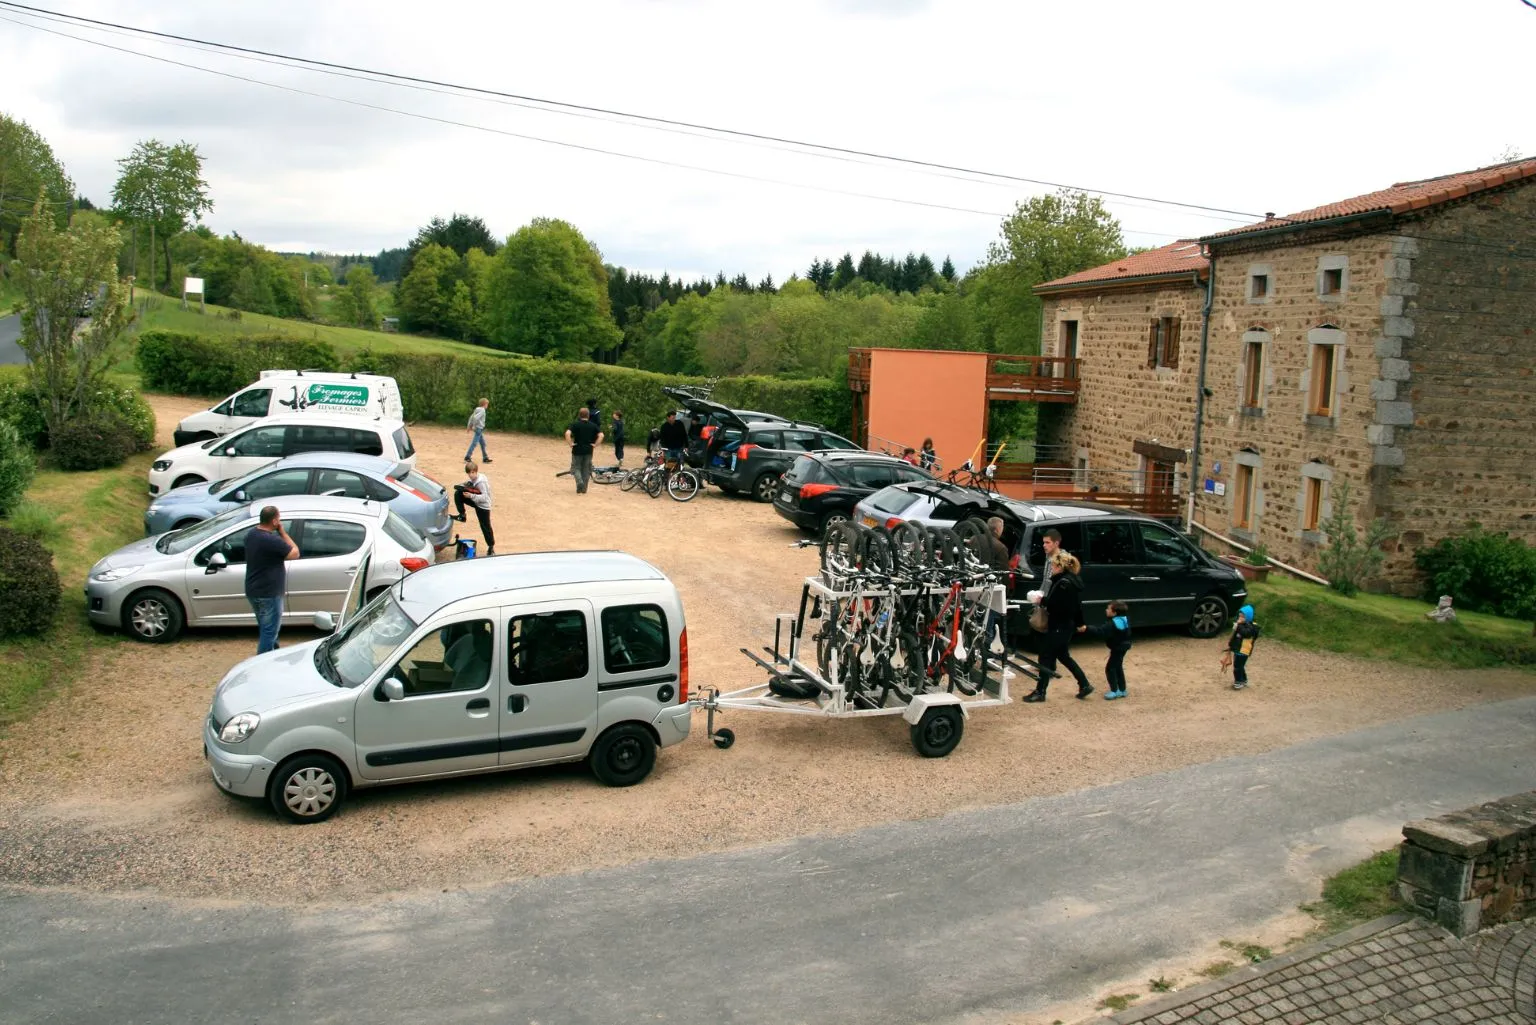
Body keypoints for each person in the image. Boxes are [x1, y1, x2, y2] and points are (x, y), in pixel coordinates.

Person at [1023, 551, 1093, 702]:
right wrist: (1080, 623)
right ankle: (1084, 684)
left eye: (1054, 566)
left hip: (1058, 626)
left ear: (1060, 567)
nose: (1052, 568)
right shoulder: (1071, 581)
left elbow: (1056, 605)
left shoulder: (1063, 584)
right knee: (1063, 656)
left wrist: (1041, 601)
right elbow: (1076, 606)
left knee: (1046, 657)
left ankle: (1040, 691)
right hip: (1065, 626)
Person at [244, 505, 299, 654]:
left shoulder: (251, 535)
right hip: (269, 593)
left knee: (266, 627)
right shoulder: (271, 541)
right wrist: (282, 532)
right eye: (279, 519)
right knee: (270, 631)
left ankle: (274, 655)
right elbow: (295, 552)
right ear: (274, 521)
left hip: (254, 590)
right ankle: (262, 661)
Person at [1078, 600, 1133, 700]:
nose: (1106, 610)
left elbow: (1100, 632)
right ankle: (1122, 690)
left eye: (1108, 609)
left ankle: (1114, 691)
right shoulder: (1124, 619)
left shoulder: (1112, 624)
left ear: (1114, 612)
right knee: (1118, 667)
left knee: (1110, 668)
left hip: (1118, 648)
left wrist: (1086, 628)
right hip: (1123, 647)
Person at [451, 460, 495, 555]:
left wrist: (471, 496)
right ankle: (462, 515)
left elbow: (485, 498)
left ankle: (491, 547)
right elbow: (470, 483)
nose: (471, 475)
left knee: (485, 527)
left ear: (476, 471)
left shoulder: (481, 482)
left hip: (483, 506)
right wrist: (463, 486)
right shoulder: (475, 478)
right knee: (458, 493)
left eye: (472, 473)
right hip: (476, 500)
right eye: (469, 473)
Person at [1221, 604, 1261, 690]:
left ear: (1248, 618)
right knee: (1240, 666)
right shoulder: (1241, 625)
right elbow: (1235, 637)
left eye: (1243, 617)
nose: (1240, 618)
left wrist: (1238, 626)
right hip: (1238, 649)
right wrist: (1231, 645)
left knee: (1237, 666)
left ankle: (1238, 681)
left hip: (1244, 651)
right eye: (1239, 616)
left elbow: (1246, 634)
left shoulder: (1251, 627)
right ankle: (1244, 679)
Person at [564, 408, 603, 493]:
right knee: (586, 470)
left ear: (579, 415)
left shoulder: (575, 424)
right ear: (588, 415)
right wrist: (595, 444)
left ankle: (579, 482)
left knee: (576, 468)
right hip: (589, 450)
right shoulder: (593, 425)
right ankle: (584, 489)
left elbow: (567, 433)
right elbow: (601, 435)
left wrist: (570, 443)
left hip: (577, 449)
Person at [465, 398, 491, 463]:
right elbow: (475, 418)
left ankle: (485, 458)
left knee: (483, 444)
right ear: (485, 404)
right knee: (474, 443)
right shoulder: (482, 410)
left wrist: (469, 426)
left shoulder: (477, 409)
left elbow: (471, 417)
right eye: (487, 404)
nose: (487, 405)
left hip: (479, 429)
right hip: (478, 429)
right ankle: (467, 457)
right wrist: (473, 426)